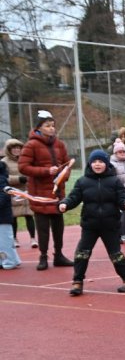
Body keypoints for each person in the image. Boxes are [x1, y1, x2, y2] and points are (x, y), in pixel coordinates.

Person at [58, 150, 125, 295]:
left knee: (116, 254)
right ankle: (77, 282)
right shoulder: (82, 181)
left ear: (106, 164)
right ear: (90, 163)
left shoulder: (114, 181)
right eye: (94, 161)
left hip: (110, 225)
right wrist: (65, 204)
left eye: (101, 161)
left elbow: (122, 197)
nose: (97, 164)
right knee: (82, 253)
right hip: (90, 225)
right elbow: (73, 197)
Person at [18, 110, 74, 270]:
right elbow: (23, 167)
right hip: (40, 195)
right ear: (39, 127)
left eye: (53, 126)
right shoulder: (31, 144)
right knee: (42, 229)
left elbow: (67, 164)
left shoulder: (60, 144)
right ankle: (43, 257)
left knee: (58, 227)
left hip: (57, 195)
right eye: (47, 126)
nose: (52, 129)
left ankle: (59, 255)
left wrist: (64, 175)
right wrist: (45, 171)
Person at [2, 139, 36, 248]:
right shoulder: (4, 162)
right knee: (13, 217)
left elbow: (31, 171)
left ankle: (33, 238)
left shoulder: (25, 160)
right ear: (9, 150)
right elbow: (3, 178)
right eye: (14, 148)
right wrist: (18, 179)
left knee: (29, 216)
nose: (17, 150)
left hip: (26, 191)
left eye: (18, 148)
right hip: (13, 192)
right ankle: (15, 239)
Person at [0, 155, 21, 269]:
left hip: (3, 216)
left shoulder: (1, 179)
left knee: (5, 241)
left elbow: (4, 195)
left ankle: (10, 261)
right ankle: (4, 260)